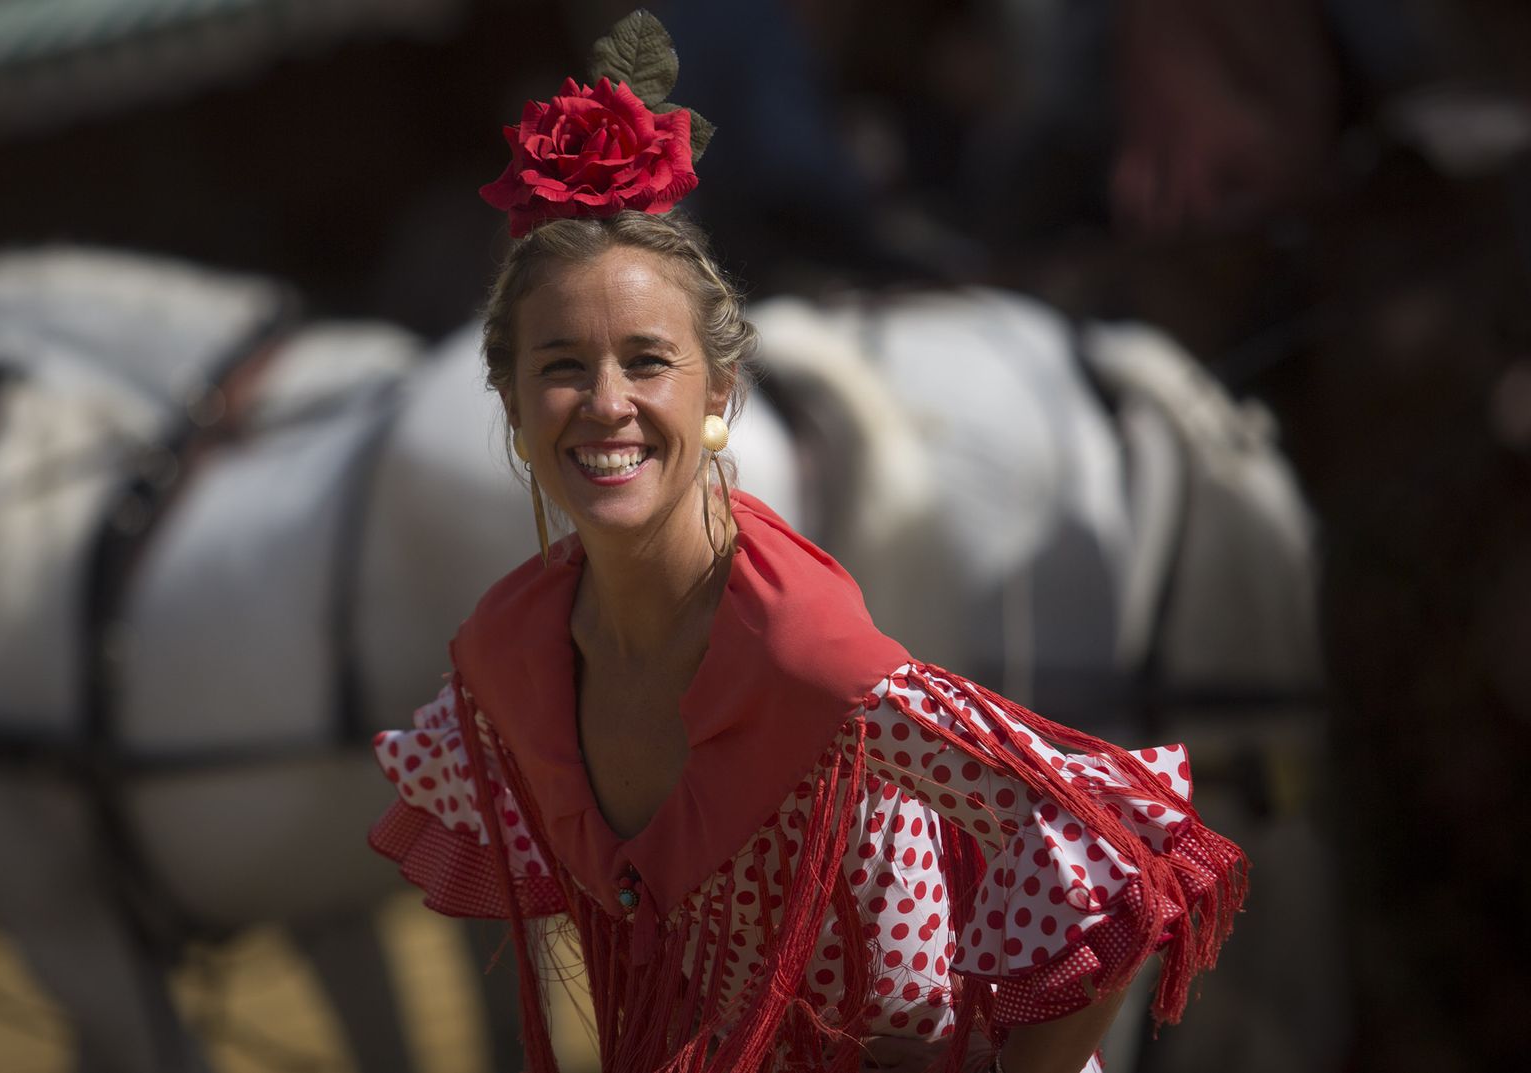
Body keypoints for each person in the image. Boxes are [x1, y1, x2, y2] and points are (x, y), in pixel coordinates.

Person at [369, 14, 1245, 1072]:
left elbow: (1102, 852)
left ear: (718, 394)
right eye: (560, 366)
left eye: (647, 361)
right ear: (512, 406)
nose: (605, 403)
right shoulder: (510, 654)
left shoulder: (803, 654)